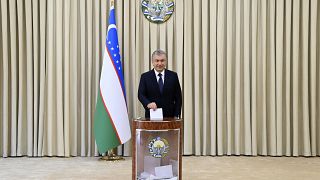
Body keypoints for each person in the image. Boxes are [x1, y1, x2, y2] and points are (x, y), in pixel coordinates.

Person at [138, 49, 182, 119]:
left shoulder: (173, 76)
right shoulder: (145, 77)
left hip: (170, 117)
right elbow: (141, 94)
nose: (160, 63)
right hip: (151, 116)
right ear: (152, 62)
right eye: (157, 61)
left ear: (166, 61)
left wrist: (177, 115)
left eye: (162, 60)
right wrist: (148, 103)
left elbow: (178, 98)